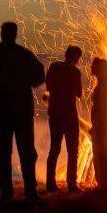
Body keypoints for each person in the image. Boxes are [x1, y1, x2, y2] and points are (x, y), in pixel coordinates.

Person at [0, 21, 45, 202]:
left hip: (1, 112)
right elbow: (39, 77)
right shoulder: (24, 55)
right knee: (26, 152)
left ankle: (7, 193)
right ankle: (30, 191)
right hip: (22, 113)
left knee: (4, 154)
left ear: (2, 34)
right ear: (15, 34)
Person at [44, 45, 83, 193]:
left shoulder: (53, 67)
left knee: (54, 148)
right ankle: (72, 184)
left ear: (66, 54)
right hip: (69, 115)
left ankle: (50, 183)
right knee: (73, 151)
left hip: (54, 113)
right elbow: (79, 94)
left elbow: (48, 87)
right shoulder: (75, 72)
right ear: (77, 58)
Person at [89, 57, 107, 192]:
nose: (90, 68)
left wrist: (97, 125)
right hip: (102, 123)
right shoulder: (104, 84)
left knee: (102, 154)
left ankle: (104, 185)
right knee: (103, 153)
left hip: (102, 125)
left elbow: (104, 107)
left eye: (93, 66)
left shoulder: (104, 86)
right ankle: (105, 184)